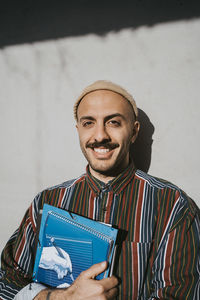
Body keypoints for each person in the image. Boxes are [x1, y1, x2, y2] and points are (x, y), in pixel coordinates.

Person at [0, 80, 200, 300]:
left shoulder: (173, 205)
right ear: (78, 130)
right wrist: (59, 298)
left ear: (134, 132)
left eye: (113, 122)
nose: (100, 136)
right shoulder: (47, 201)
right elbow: (6, 281)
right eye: (88, 123)